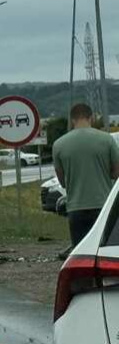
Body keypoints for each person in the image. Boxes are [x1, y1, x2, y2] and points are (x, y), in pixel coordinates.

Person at [53, 103, 119, 247]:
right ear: (91, 117)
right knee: (105, 250)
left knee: (81, 251)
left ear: (72, 120)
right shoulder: (107, 140)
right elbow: (116, 172)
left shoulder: (58, 145)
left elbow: (62, 181)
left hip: (76, 208)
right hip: (103, 206)